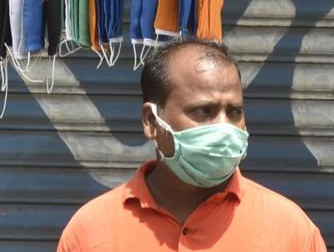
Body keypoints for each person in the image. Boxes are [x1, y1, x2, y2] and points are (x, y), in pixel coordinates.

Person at [57, 38, 327, 251]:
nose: (223, 127)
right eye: (203, 112)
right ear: (151, 121)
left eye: (234, 112)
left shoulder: (291, 231)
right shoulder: (91, 231)